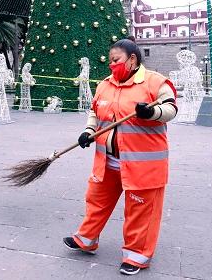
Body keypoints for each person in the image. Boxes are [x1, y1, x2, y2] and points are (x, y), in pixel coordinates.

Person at [63, 39, 177, 276]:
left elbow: (171, 109)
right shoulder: (105, 85)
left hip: (142, 165)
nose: (112, 66)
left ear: (132, 60)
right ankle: (87, 239)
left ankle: (136, 256)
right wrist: (89, 132)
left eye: (116, 61)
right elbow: (95, 111)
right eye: (110, 61)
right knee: (96, 201)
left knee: (139, 211)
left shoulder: (155, 82)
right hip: (108, 162)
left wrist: (151, 112)